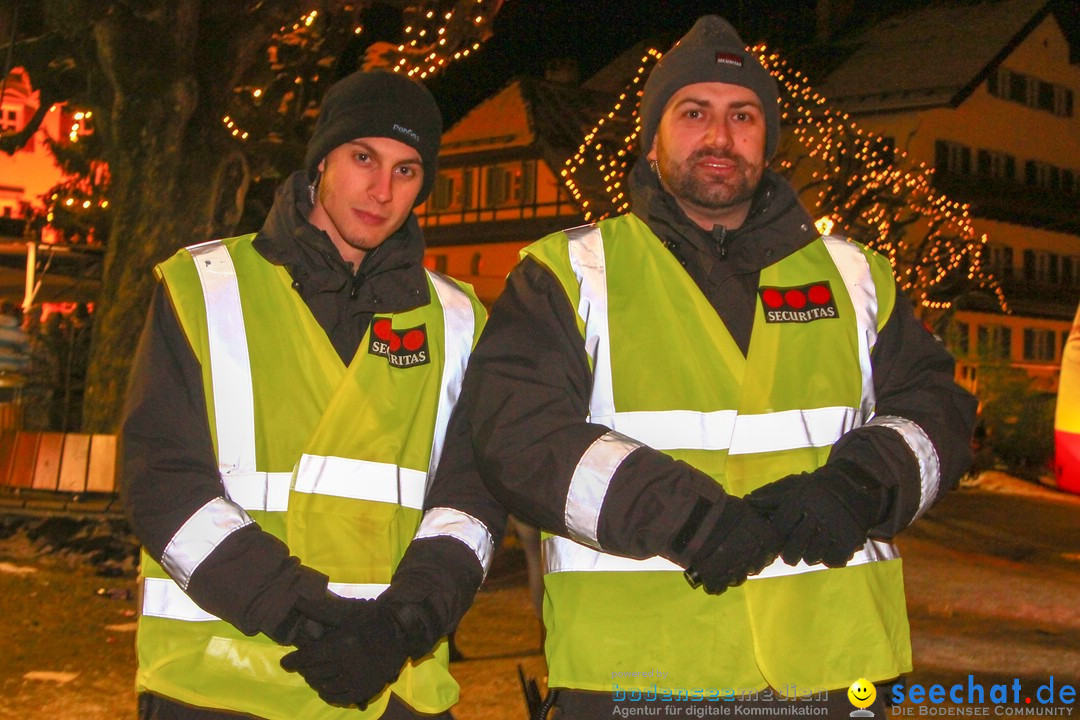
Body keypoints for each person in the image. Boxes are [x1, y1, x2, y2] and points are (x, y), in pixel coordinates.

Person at [369, 14, 978, 719]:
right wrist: (685, 520)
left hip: (837, 673)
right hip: (637, 677)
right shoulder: (569, 272)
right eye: (694, 112)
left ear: (769, 140)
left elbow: (939, 409)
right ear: (653, 137)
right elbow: (518, 435)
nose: (719, 136)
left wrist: (862, 485)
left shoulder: (856, 276)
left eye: (742, 115)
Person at [121, 69, 497, 720]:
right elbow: (163, 484)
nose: (382, 191)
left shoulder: (459, 321)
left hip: (394, 686)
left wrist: (397, 628)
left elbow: (473, 502)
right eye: (363, 158)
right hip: (220, 685)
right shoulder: (202, 288)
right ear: (322, 159)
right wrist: (305, 616)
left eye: (407, 172)